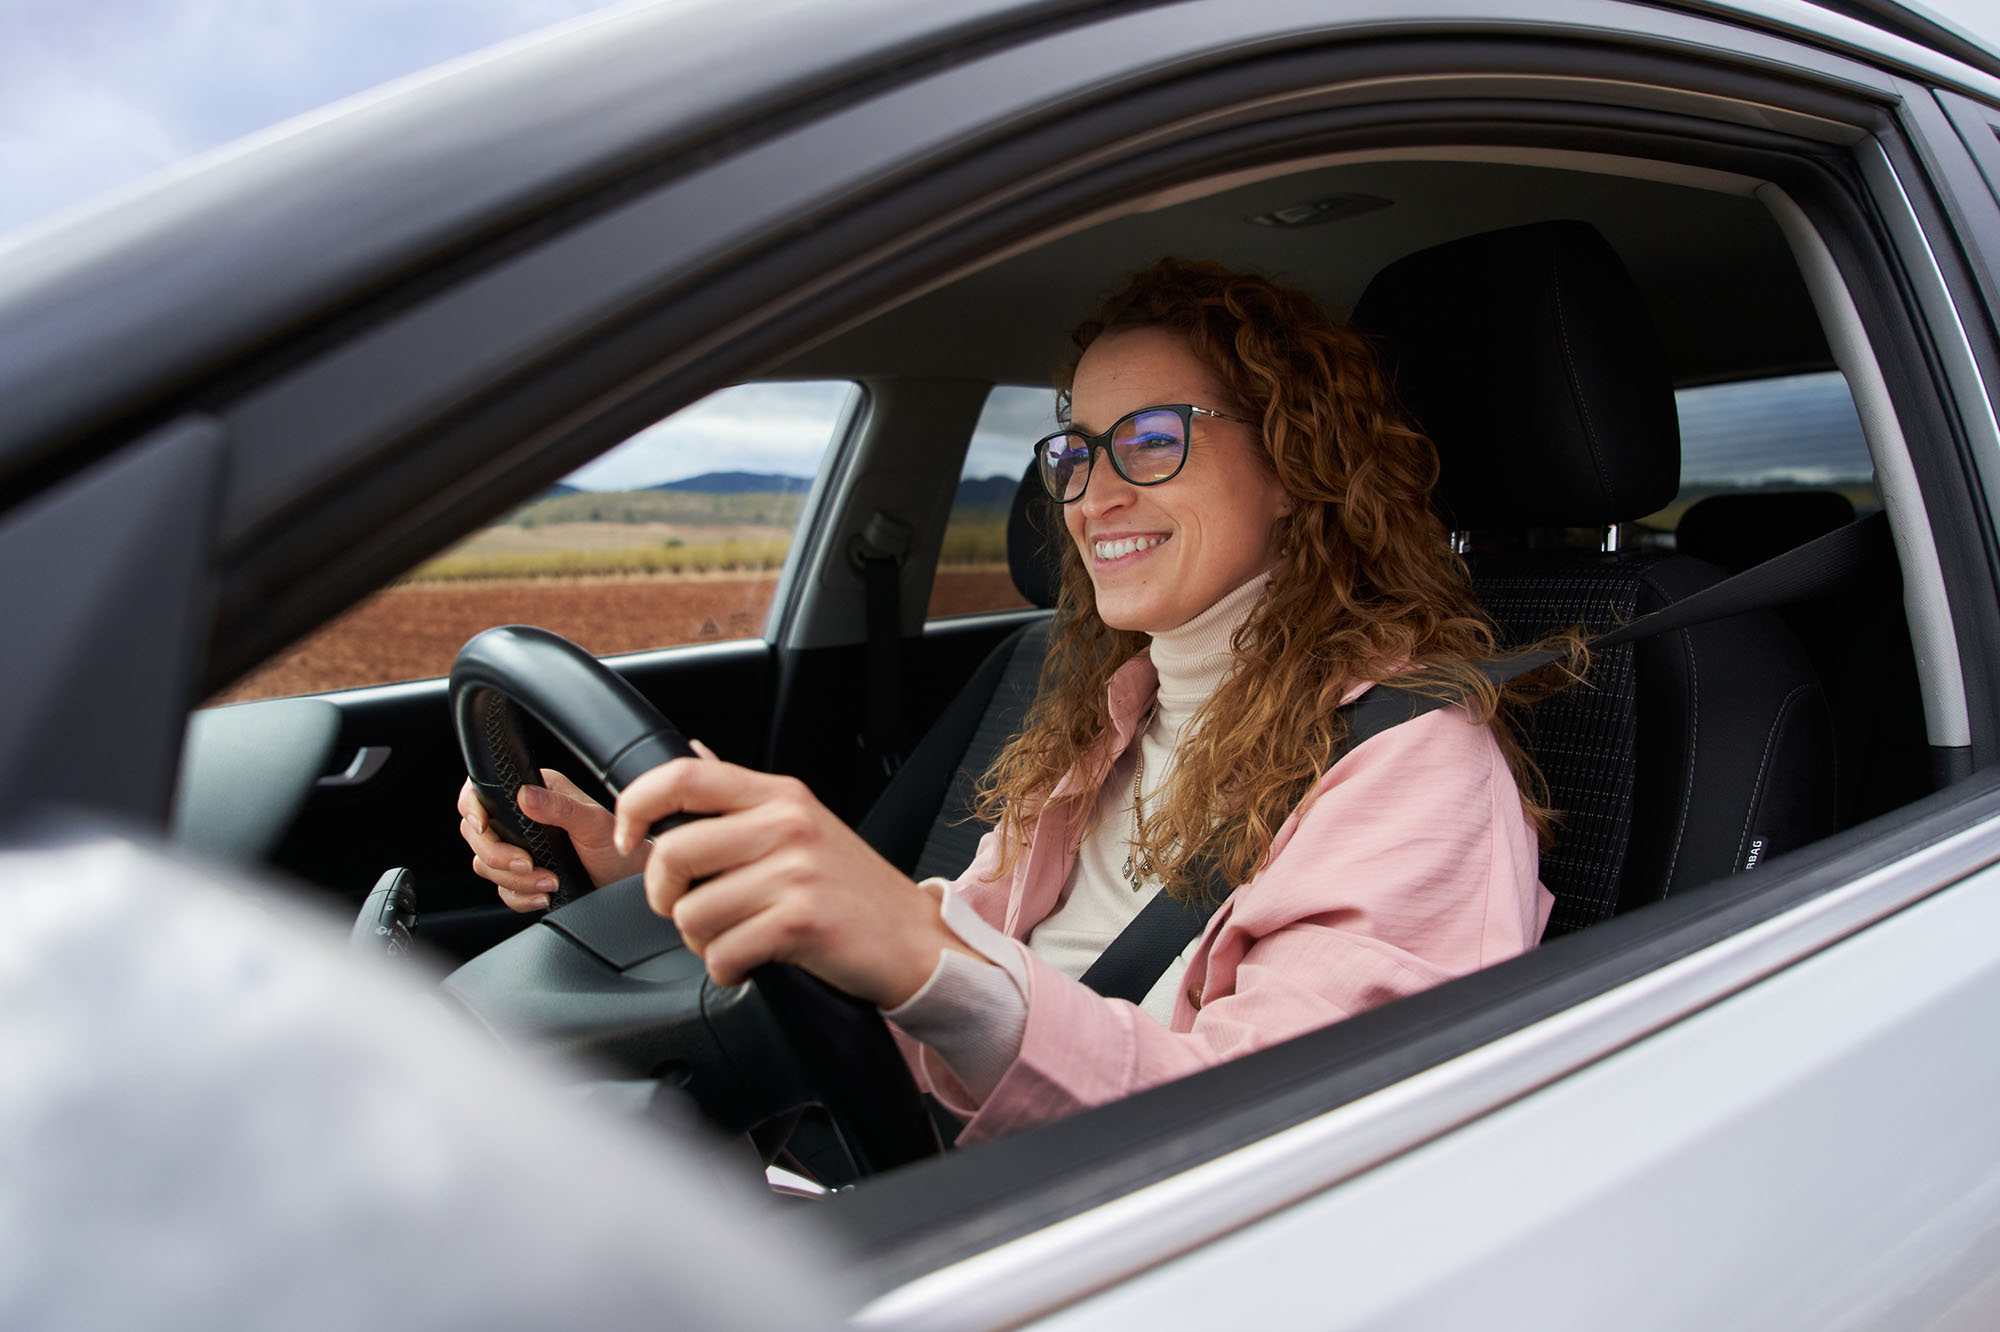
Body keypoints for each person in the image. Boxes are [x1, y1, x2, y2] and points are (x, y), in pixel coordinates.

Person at [457, 259, 1565, 1146]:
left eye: (1152, 438)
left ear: (1291, 461)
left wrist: (916, 951)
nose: (1094, 493)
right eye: (1075, 450)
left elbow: (1280, 1151)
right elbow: (938, 977)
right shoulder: (1106, 717)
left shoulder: (1416, 769)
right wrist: (649, 874)